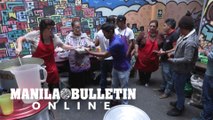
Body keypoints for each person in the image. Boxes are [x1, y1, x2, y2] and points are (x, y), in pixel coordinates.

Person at [15, 18, 72, 93]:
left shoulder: (54, 38)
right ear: (42, 29)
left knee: (54, 89)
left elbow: (63, 46)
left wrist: (75, 47)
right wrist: (19, 48)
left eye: (52, 28)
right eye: (49, 29)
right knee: (39, 90)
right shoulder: (35, 35)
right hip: (37, 68)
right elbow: (20, 39)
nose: (51, 31)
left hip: (51, 68)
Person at [86, 23, 130, 105]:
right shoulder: (112, 39)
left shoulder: (116, 42)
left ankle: (125, 105)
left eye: (104, 33)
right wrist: (100, 57)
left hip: (123, 68)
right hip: (116, 66)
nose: (103, 35)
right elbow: (110, 54)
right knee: (114, 85)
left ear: (110, 32)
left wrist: (90, 52)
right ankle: (114, 99)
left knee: (124, 88)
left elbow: (105, 54)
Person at [167, 15, 199, 116]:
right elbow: (178, 48)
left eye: (180, 28)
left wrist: (173, 60)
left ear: (186, 28)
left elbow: (188, 59)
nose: (179, 30)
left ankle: (179, 108)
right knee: (177, 87)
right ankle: (179, 102)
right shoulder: (184, 36)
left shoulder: (190, 41)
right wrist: (172, 53)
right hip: (178, 68)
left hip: (182, 70)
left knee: (180, 90)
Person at [154, 18, 179, 99]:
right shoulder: (168, 35)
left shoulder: (175, 34)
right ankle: (162, 88)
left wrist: (164, 52)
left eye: (164, 25)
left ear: (169, 26)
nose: (163, 27)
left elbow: (175, 48)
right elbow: (167, 46)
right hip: (164, 59)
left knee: (168, 77)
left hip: (169, 60)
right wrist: (161, 51)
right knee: (164, 75)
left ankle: (167, 92)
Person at [65, 20, 94, 89]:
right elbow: (65, 47)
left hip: (83, 61)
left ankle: (83, 92)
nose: (78, 29)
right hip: (74, 61)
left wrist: (88, 48)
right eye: (76, 27)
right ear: (72, 28)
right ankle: (76, 93)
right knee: (75, 79)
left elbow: (92, 46)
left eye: (79, 27)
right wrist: (72, 48)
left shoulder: (84, 36)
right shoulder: (69, 37)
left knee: (83, 79)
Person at [135, 20, 162, 87]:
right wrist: (136, 52)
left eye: (154, 26)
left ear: (156, 27)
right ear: (149, 26)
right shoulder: (143, 34)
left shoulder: (159, 35)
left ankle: (147, 80)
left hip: (152, 57)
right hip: (142, 56)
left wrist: (160, 52)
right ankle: (141, 80)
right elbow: (136, 42)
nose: (152, 27)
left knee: (149, 70)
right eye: (151, 26)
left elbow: (162, 45)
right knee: (141, 69)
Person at [94, 16, 115, 94]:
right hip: (112, 58)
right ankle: (113, 91)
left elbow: (96, 44)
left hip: (103, 57)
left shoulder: (99, 32)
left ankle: (103, 89)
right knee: (113, 76)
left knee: (103, 74)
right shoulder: (115, 32)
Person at [192, 45, 213, 120]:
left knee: (208, 98)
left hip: (211, 75)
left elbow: (211, 56)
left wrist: (207, 51)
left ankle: (205, 117)